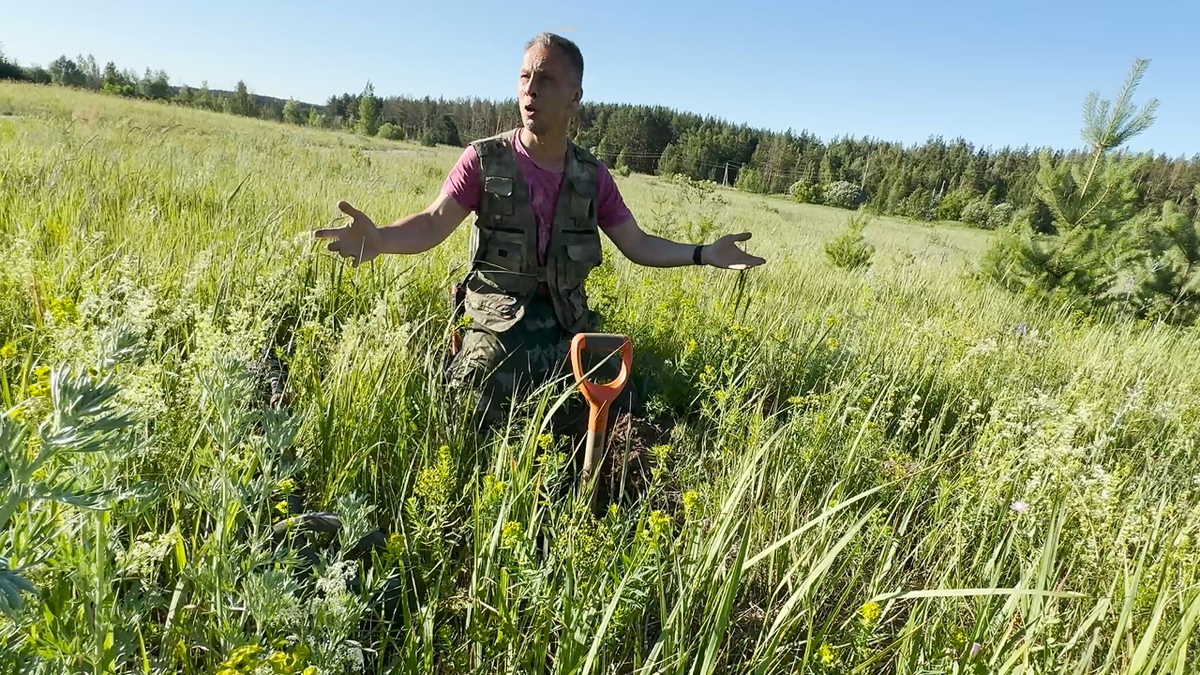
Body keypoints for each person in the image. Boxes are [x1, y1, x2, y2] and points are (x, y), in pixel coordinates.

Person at [315, 32, 765, 430]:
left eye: (545, 79)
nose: (530, 89)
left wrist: (704, 253)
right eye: (525, 77)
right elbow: (433, 222)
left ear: (575, 96)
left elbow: (638, 243)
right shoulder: (484, 161)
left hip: (567, 325)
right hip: (497, 321)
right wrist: (381, 240)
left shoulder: (592, 177)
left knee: (625, 400)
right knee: (475, 395)